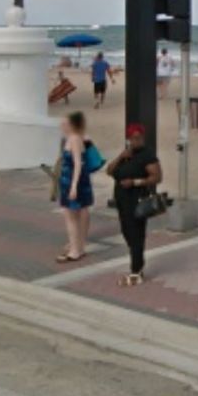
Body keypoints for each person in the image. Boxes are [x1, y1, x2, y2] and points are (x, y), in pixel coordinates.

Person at [108, 124, 163, 287]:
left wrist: (135, 182)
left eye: (138, 137)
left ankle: (136, 271)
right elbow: (109, 171)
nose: (135, 140)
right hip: (122, 201)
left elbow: (157, 177)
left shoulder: (147, 155)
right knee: (126, 232)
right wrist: (120, 157)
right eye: (132, 138)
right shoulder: (126, 155)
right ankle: (138, 261)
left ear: (143, 137)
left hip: (137, 200)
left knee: (136, 234)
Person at [54, 111, 99, 263]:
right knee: (76, 214)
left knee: (71, 217)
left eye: (65, 122)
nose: (62, 125)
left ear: (71, 124)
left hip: (72, 180)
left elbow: (77, 164)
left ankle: (75, 250)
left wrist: (73, 186)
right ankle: (78, 246)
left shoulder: (73, 139)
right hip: (74, 180)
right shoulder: (78, 137)